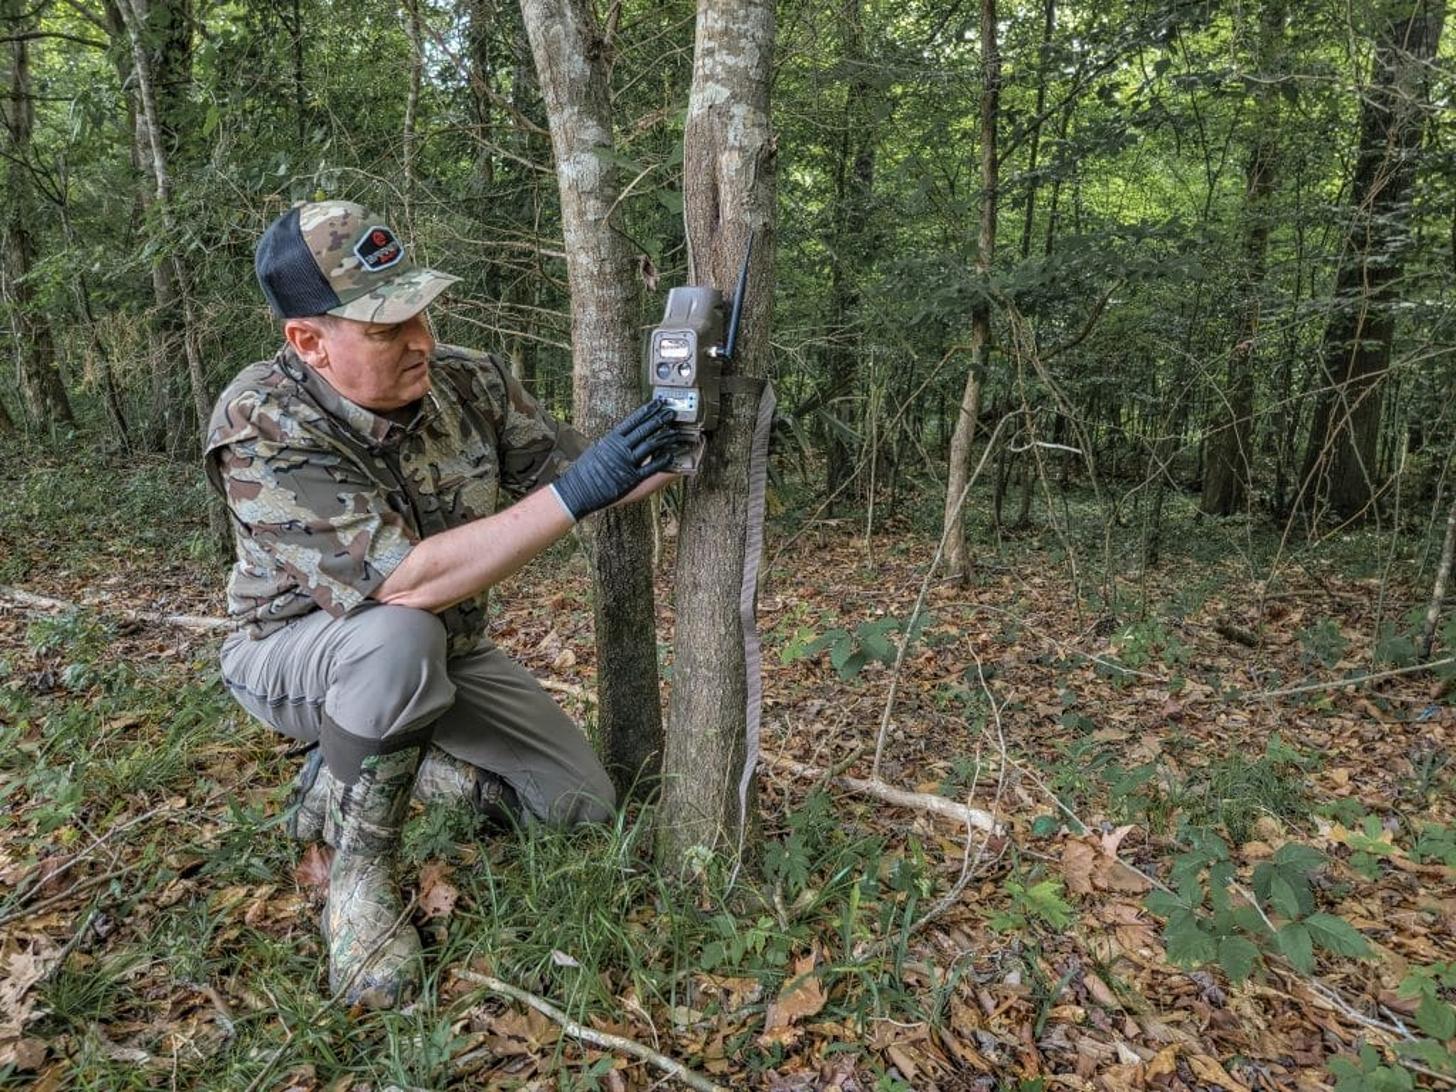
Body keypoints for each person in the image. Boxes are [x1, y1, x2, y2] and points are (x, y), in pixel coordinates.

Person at [204, 200, 681, 1008]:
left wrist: (692, 442)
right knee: (396, 635)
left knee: (581, 810)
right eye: (388, 330)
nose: (421, 339)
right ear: (309, 342)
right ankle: (359, 884)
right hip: (298, 655)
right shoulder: (264, 420)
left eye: (420, 311)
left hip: (446, 653)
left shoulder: (468, 378)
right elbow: (405, 583)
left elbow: (570, 472)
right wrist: (579, 492)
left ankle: (379, 767)